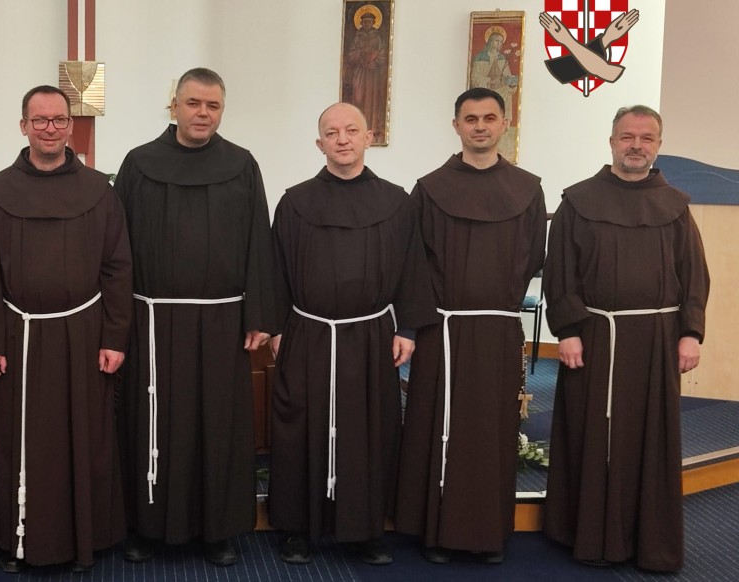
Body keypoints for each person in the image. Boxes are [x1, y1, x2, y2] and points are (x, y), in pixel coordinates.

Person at [114, 67, 279, 566]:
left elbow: (258, 241)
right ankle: (145, 526)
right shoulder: (139, 164)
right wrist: (119, 320)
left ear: (221, 110)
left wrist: (258, 314)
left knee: (218, 426)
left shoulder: (241, 165)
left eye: (212, 106)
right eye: (193, 103)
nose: (202, 113)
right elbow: (116, 249)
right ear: (174, 106)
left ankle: (217, 530)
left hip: (221, 322)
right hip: (152, 322)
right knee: (152, 422)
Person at [0, 85, 132, 573]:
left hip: (83, 334)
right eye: (39, 120)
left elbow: (117, 267)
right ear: (23, 126)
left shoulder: (99, 190)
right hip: (17, 336)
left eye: (59, 119)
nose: (50, 129)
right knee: (17, 439)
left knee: (84, 438)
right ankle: (16, 538)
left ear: (70, 126)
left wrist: (114, 337)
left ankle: (83, 540)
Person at [268, 103, 437, 566]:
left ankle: (365, 531)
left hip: (370, 335)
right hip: (308, 332)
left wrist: (407, 328)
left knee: (369, 431)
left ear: (368, 137)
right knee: (300, 428)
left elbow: (412, 267)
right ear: (319, 143)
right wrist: (277, 327)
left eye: (351, 130)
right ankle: (297, 529)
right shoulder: (294, 202)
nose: (341, 139)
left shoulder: (396, 202)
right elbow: (274, 268)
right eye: (331, 132)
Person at [542, 105, 708, 572]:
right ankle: (588, 536)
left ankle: (649, 542)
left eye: (646, 138)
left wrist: (690, 333)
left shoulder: (675, 206)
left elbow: (694, 275)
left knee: (650, 441)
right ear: (612, 141)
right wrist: (568, 331)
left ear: (658, 145)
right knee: (590, 435)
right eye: (627, 137)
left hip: (656, 340)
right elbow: (560, 273)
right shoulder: (578, 201)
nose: (636, 145)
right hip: (594, 336)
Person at [395, 88, 546, 564]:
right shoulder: (429, 188)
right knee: (436, 426)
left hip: (498, 329)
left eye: (489, 117)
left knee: (492, 431)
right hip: (442, 328)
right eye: (471, 118)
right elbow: (412, 261)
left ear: (504, 124)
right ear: (456, 125)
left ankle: (486, 533)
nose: (480, 126)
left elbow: (534, 255)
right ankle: (435, 532)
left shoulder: (528, 189)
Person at [343, 10, 389, 143]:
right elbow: (351, 55)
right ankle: (356, 131)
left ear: (373, 23)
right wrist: (361, 53)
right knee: (358, 98)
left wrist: (375, 59)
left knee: (372, 101)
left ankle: (373, 130)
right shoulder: (358, 37)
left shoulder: (377, 37)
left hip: (373, 75)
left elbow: (383, 54)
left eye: (369, 22)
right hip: (360, 72)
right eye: (365, 22)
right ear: (361, 23)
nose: (367, 24)